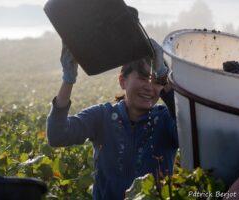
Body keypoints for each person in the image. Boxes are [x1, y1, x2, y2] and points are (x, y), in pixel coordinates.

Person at [46, 39, 178, 200]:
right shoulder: (102, 116)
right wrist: (68, 79)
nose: (149, 87)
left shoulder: (166, 119)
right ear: (123, 81)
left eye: (157, 82)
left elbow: (188, 135)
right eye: (143, 78)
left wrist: (165, 76)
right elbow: (57, 135)